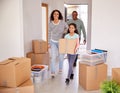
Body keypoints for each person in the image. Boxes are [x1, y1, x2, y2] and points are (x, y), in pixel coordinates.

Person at [48, 9, 68, 78]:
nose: (56, 15)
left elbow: (67, 27)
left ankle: (60, 68)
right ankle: (52, 72)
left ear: (59, 15)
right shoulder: (50, 23)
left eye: (57, 14)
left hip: (61, 41)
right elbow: (49, 33)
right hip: (53, 41)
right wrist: (48, 43)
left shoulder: (62, 22)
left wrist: (64, 32)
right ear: (52, 15)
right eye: (54, 14)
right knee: (53, 57)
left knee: (61, 56)